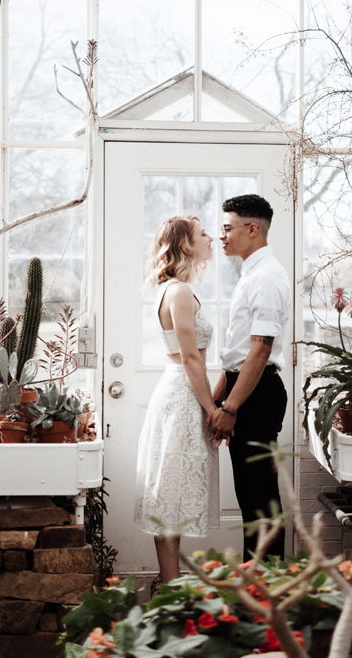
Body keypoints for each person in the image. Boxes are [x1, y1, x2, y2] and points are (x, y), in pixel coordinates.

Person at [133, 215, 220, 581]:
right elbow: (190, 358)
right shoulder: (180, 292)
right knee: (171, 496)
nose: (212, 237)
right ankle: (169, 587)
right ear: (186, 245)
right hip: (182, 395)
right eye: (203, 233)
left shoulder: (171, 289)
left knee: (171, 494)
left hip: (177, 393)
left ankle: (168, 586)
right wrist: (212, 409)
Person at [207, 194, 290, 559]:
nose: (221, 236)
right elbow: (238, 354)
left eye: (227, 228)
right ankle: (257, 588)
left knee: (260, 502)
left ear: (252, 229)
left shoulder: (268, 277)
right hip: (244, 390)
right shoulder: (252, 273)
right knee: (251, 499)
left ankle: (268, 592)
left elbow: (260, 350)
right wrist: (216, 399)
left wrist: (231, 408)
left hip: (258, 395)